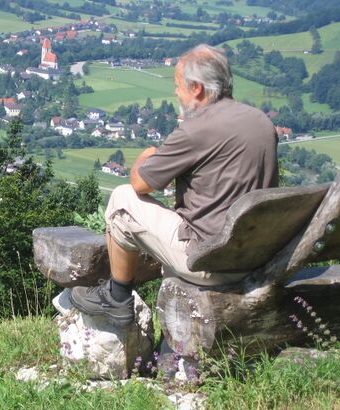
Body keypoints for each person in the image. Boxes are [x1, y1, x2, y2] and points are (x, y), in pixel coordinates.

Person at [70, 44, 278, 327]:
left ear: (197, 89)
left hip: (211, 262)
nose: (175, 92)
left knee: (121, 199)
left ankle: (117, 296)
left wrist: (146, 156)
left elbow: (141, 184)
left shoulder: (197, 128)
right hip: (257, 256)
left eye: (178, 85)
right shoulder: (261, 121)